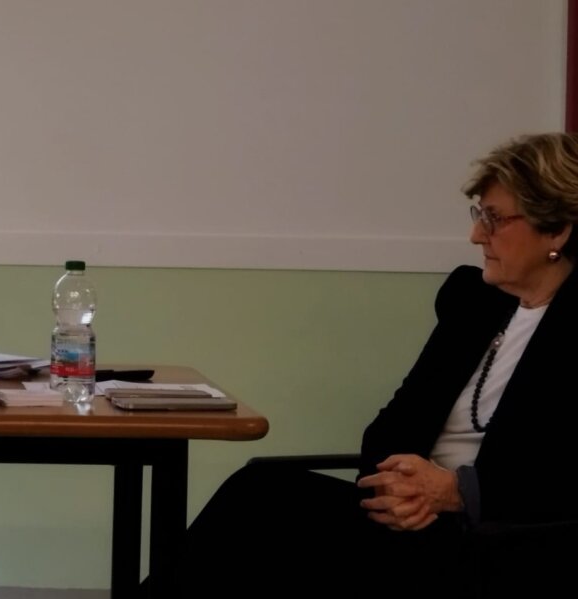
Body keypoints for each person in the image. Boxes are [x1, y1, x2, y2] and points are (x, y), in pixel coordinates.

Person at [179, 133, 578, 597]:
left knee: (265, 529)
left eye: (495, 218)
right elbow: (389, 429)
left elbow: (559, 474)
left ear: (556, 230)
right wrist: (400, 488)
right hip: (412, 526)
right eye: (479, 215)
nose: (476, 235)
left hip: (503, 547)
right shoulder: (473, 305)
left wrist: (455, 491)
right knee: (258, 492)